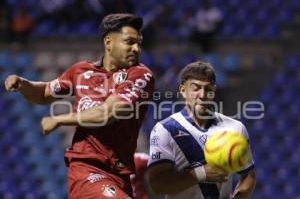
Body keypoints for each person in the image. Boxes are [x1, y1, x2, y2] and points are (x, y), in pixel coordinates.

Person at [5, 13, 155, 199]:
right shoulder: (81, 71)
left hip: (120, 173)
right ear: (108, 42)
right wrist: (23, 84)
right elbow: (44, 93)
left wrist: (60, 119)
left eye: (138, 43)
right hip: (86, 169)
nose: (136, 48)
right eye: (129, 42)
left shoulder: (140, 74)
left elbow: (109, 113)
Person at [147, 61, 256, 199]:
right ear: (182, 90)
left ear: (214, 91)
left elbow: (248, 174)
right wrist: (201, 173)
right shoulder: (165, 129)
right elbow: (157, 185)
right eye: (196, 88)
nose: (203, 95)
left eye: (208, 89)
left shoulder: (235, 128)